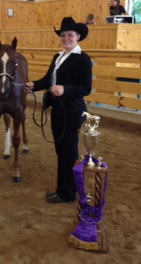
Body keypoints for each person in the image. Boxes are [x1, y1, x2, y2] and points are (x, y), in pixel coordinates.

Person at [26, 17, 92, 203]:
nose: (66, 38)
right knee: (60, 151)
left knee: (68, 152)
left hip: (72, 111)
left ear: (77, 36)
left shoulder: (82, 59)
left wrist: (65, 89)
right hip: (58, 110)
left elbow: (85, 88)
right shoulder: (58, 57)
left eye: (70, 35)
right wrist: (34, 85)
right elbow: (49, 80)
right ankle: (61, 188)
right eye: (63, 35)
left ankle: (68, 193)